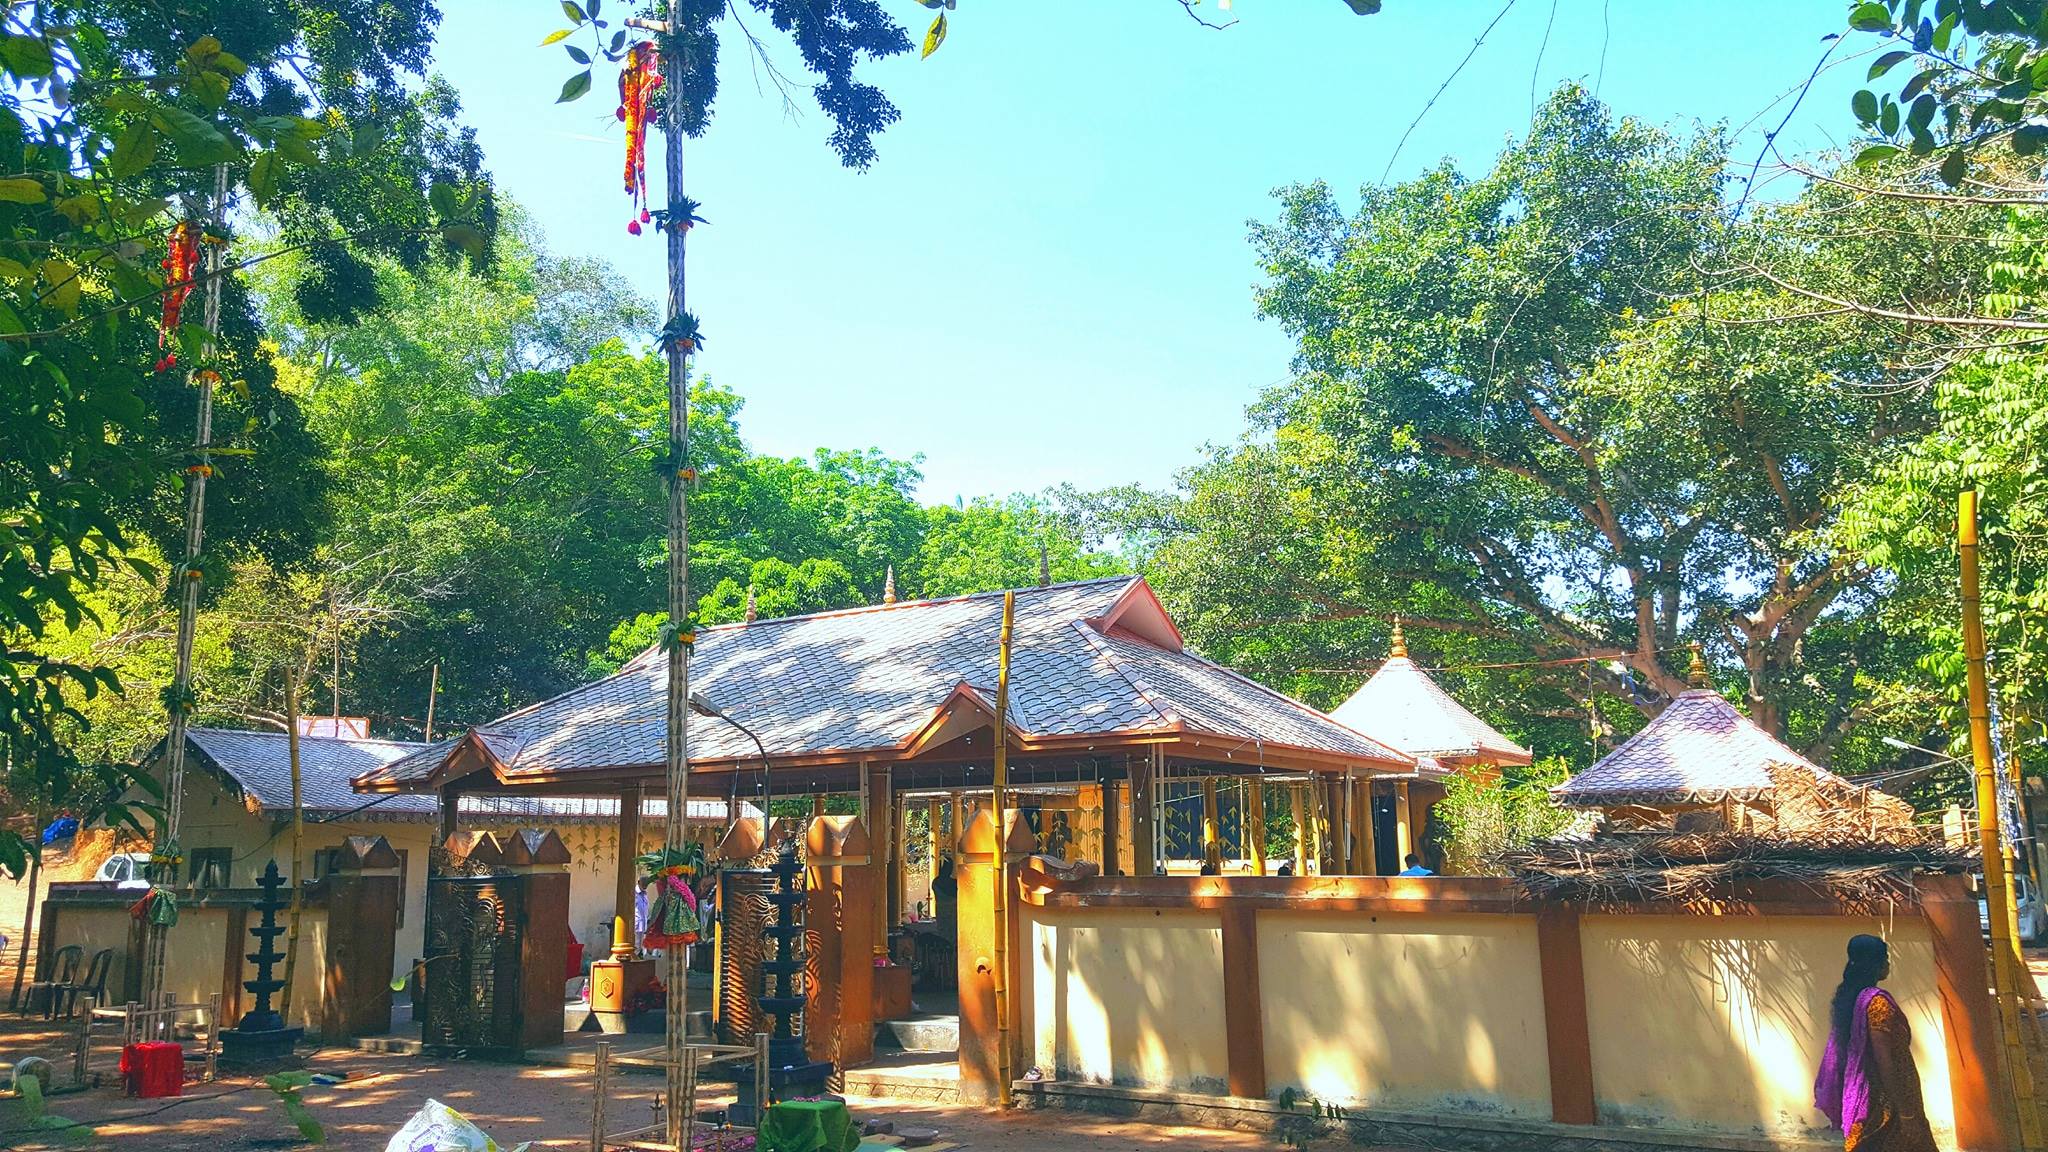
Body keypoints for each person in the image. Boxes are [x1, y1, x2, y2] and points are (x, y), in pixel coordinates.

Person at [1814, 934, 1935, 1152]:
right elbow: (1884, 1060)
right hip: (1884, 1103)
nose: (1888, 964)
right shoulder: (1877, 1004)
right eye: (1885, 959)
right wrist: (1905, 1112)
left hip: (1866, 1098)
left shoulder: (1849, 998)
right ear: (1875, 965)